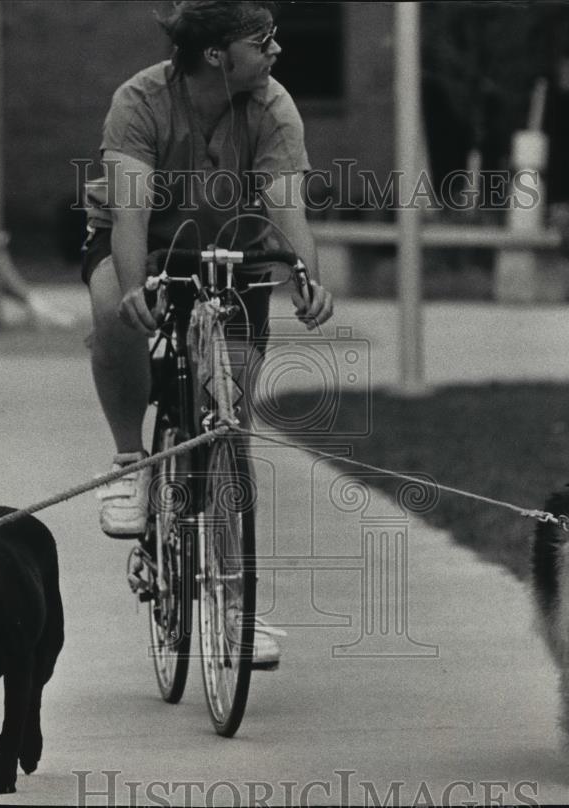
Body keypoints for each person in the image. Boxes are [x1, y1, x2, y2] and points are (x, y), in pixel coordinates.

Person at [80, 1, 334, 667]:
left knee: (229, 428)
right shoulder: (140, 100)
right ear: (219, 55)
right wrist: (137, 288)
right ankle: (129, 464)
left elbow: (286, 206)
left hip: (235, 255)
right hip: (151, 246)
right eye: (263, 40)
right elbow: (130, 212)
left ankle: (235, 606)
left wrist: (305, 274)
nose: (277, 50)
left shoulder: (273, 106)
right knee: (112, 307)